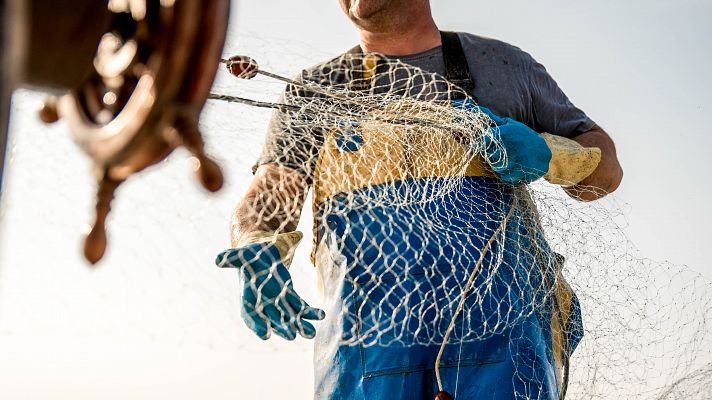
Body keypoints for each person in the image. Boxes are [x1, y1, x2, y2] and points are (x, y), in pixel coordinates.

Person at [216, 1, 623, 399]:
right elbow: (270, 195)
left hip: (506, 347)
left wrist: (550, 153)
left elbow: (607, 172)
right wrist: (254, 243)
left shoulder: (506, 66)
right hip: (364, 357)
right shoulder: (314, 91)